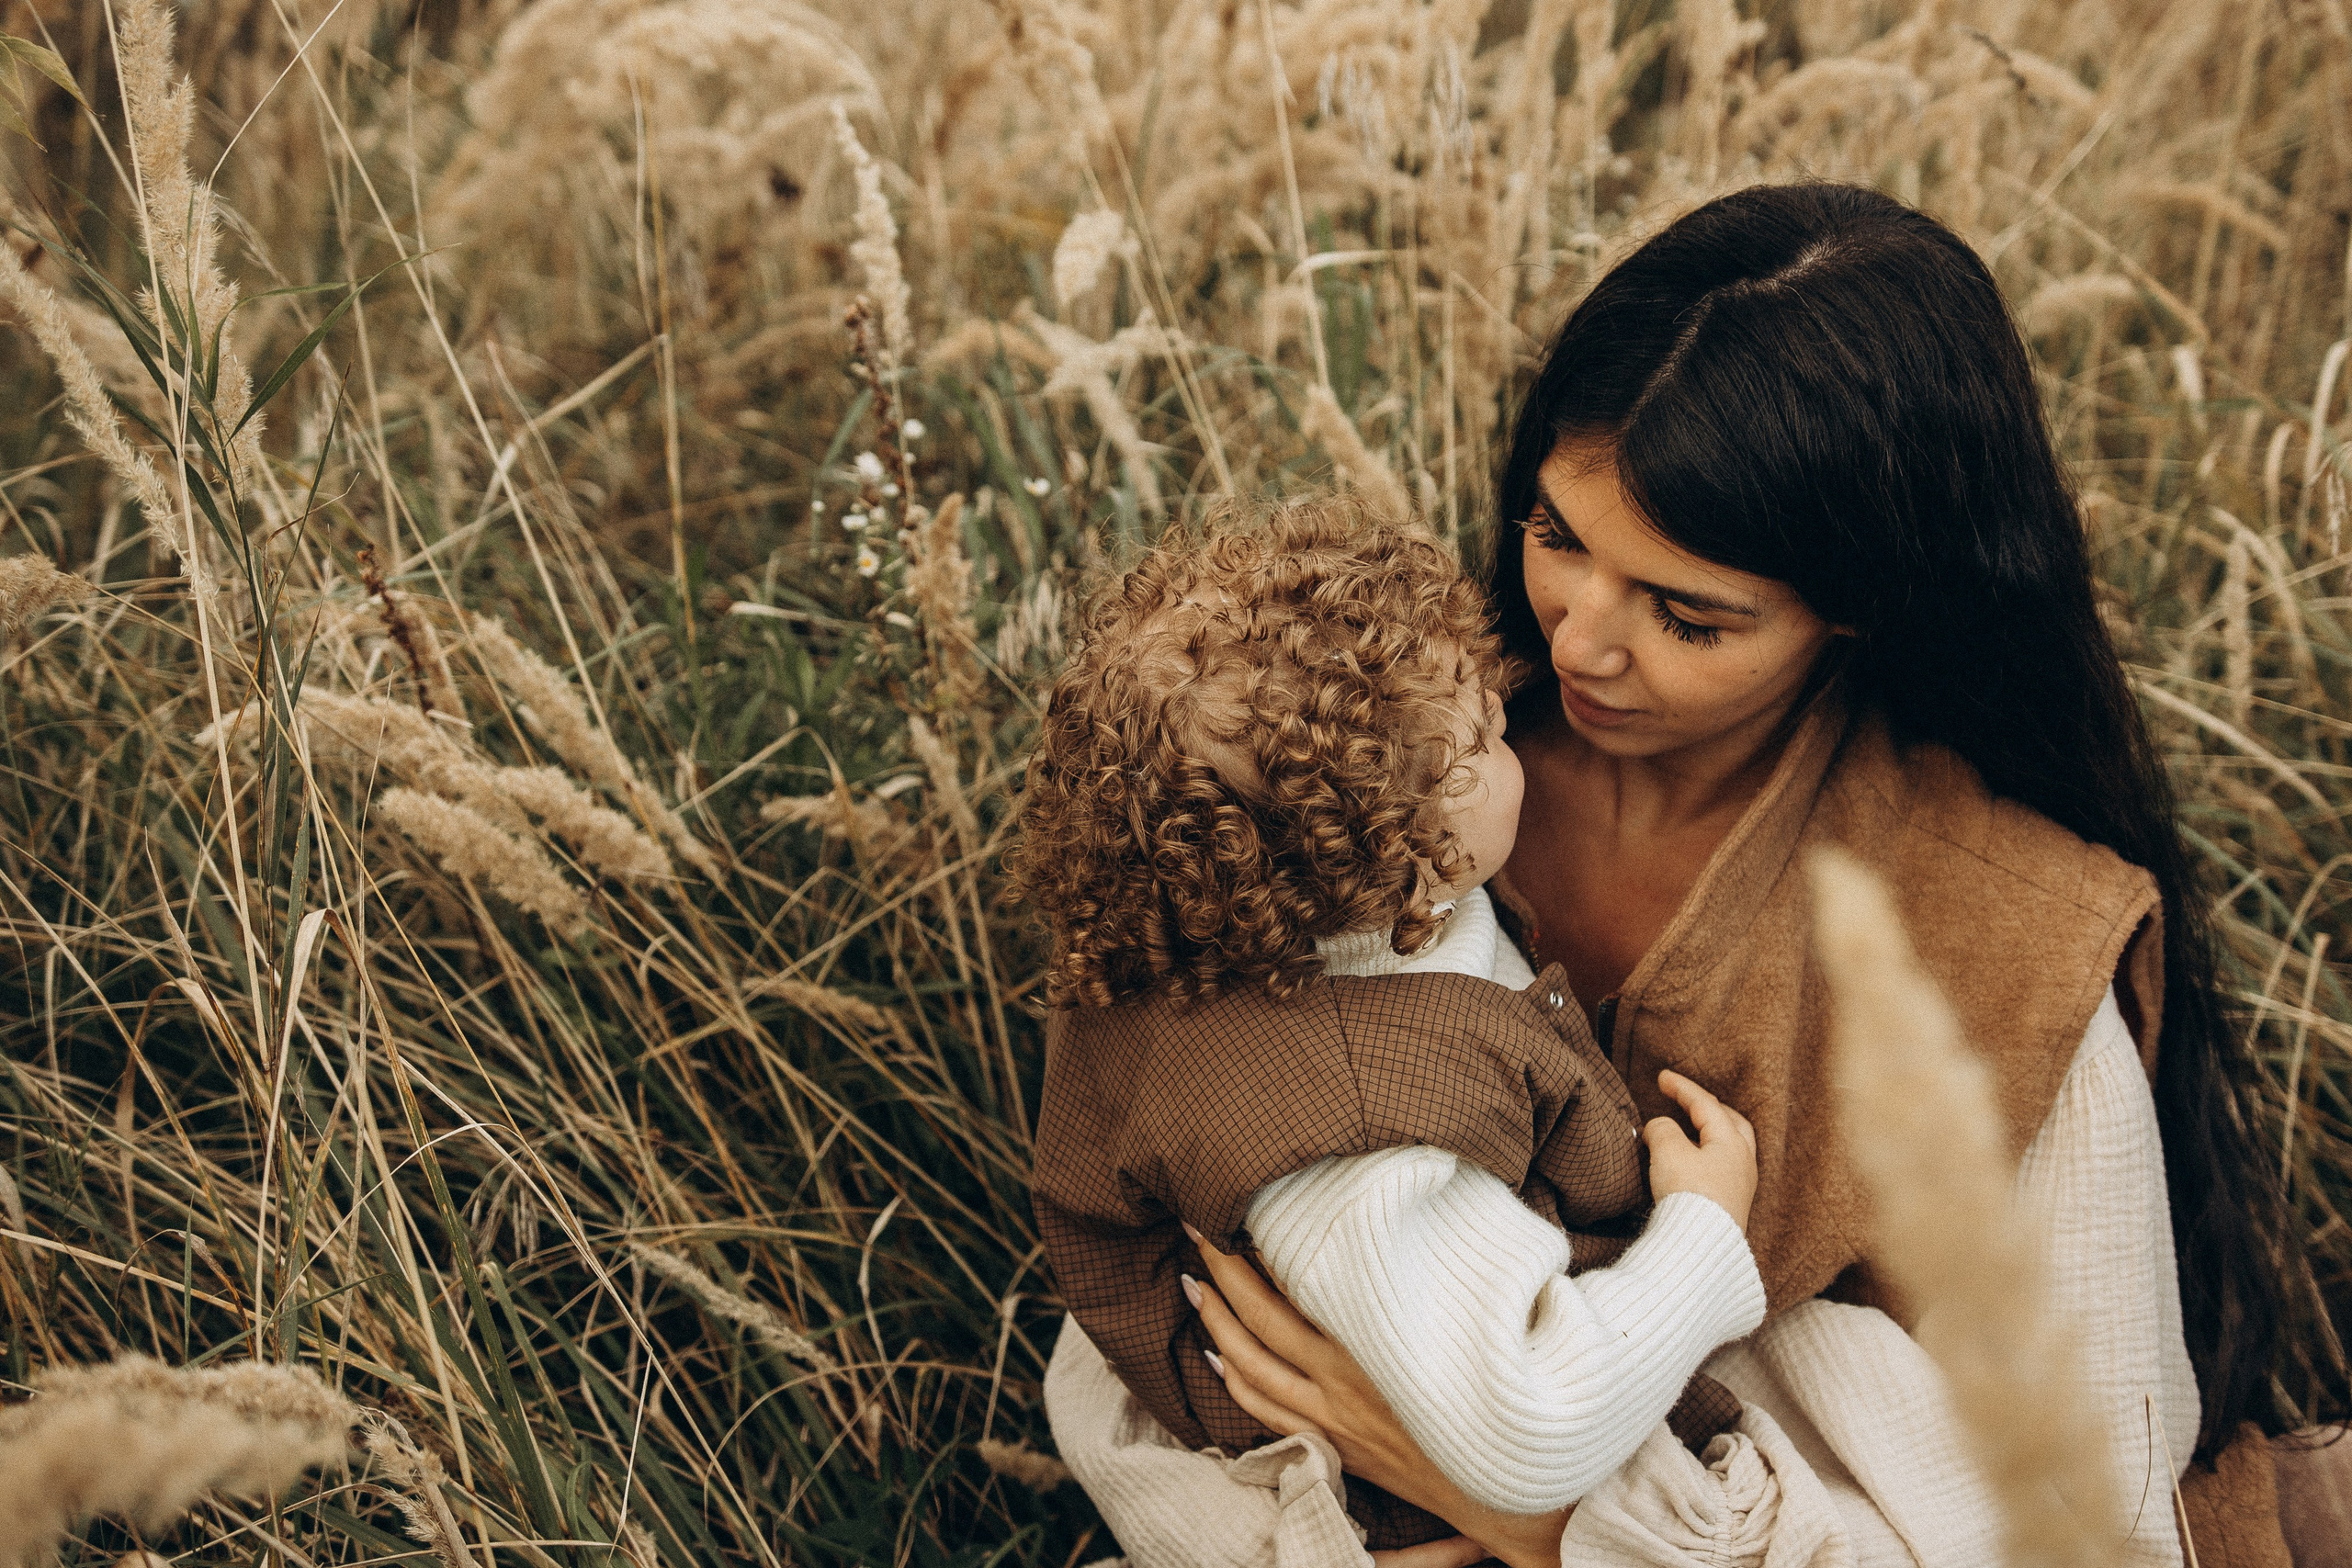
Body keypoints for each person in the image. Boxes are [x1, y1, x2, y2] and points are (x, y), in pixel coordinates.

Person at [1045, 183, 2342, 1567]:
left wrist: (1545, 1518)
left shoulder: (2007, 940)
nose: (1578, 640)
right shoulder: (1351, 789)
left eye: (1685, 612)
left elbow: (2098, 1527)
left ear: (1861, 602)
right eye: (1556, 537)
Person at [1017, 503, 1770, 1554]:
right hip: (1434, 1493)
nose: (1512, 729)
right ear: (1387, 857)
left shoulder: (1213, 924)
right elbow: (1529, 1430)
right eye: (1480, 745)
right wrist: (1702, 1236)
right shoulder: (1363, 1144)